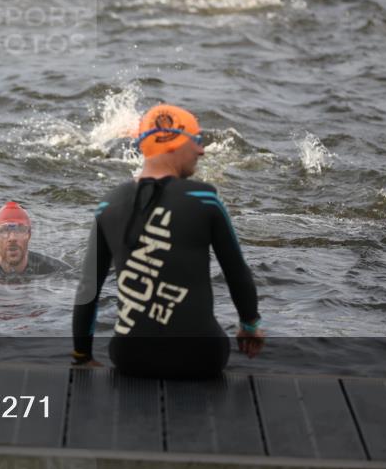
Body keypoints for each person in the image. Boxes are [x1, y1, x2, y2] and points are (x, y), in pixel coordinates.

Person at [72, 104, 263, 379]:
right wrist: (250, 325)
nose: (202, 150)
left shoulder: (109, 204)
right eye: (196, 141)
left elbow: (88, 288)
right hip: (201, 357)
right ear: (173, 142)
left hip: (129, 357)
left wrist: (82, 357)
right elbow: (237, 272)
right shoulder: (205, 199)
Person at [0, 202, 72, 277]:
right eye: (4, 231)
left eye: (20, 230)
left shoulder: (56, 269)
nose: (12, 238)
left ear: (29, 235)